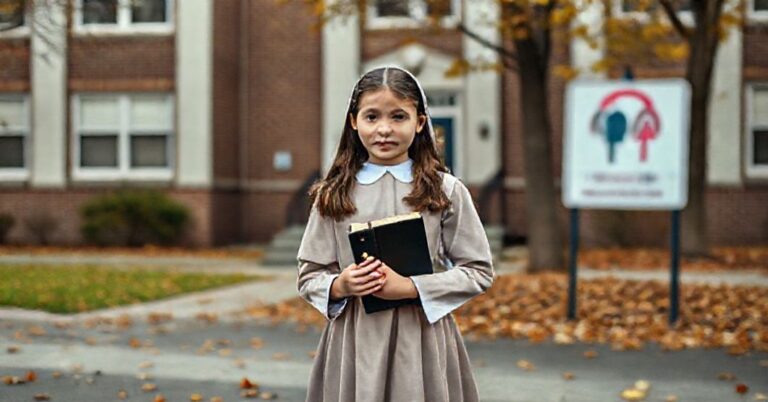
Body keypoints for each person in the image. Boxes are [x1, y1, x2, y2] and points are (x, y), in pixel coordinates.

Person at [297, 65, 495, 402]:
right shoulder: (333, 193)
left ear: (419, 122)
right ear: (354, 121)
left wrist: (411, 287)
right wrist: (341, 284)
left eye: (399, 117)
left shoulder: (445, 190)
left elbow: (478, 271)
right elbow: (309, 275)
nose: (384, 129)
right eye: (372, 117)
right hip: (355, 337)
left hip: (421, 338)